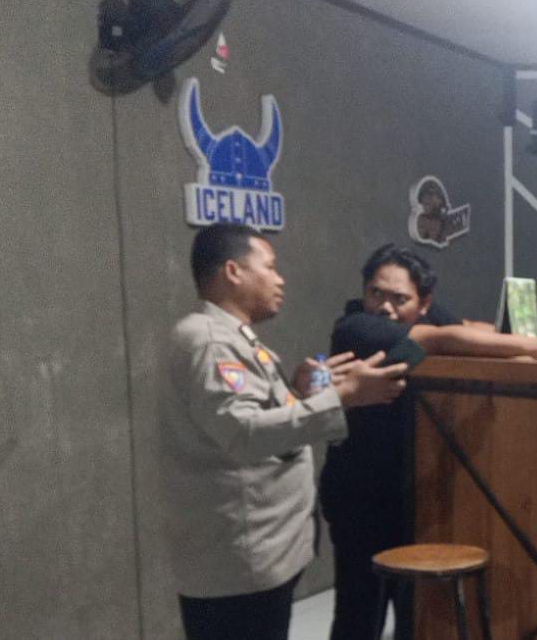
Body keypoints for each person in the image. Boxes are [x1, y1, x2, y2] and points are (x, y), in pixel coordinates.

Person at [160, 223, 409, 640]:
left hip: (259, 555)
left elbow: (248, 419)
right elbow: (244, 434)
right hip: (238, 564)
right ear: (233, 271)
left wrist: (298, 392)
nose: (280, 279)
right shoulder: (210, 343)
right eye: (270, 266)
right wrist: (342, 396)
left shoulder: (234, 338)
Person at [320, 244, 537, 640]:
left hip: (408, 490)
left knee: (413, 612)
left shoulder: (424, 316)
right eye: (376, 293)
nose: (384, 307)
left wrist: (488, 335)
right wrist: (532, 344)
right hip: (358, 494)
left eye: (399, 299)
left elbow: (475, 329)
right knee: (359, 614)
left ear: (423, 302)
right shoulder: (354, 327)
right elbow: (444, 338)